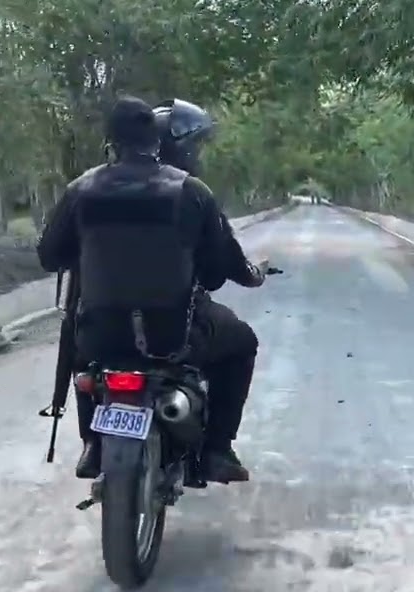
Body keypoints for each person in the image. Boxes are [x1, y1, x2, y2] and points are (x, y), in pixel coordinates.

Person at [38, 95, 271, 486]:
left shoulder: (81, 189)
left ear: (110, 143)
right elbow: (220, 269)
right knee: (243, 342)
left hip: (100, 337)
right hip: (174, 336)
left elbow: (49, 256)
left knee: (81, 353)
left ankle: (93, 444)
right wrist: (253, 274)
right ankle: (216, 450)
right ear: (158, 142)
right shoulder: (191, 191)